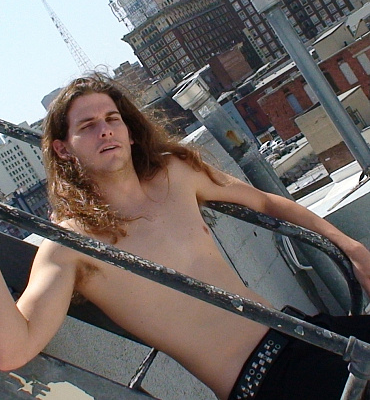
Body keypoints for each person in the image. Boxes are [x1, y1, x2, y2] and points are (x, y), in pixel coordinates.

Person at [1, 72, 370, 400]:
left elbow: (264, 201)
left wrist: (353, 249)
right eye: (88, 126)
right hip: (266, 380)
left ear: (129, 131)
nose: (106, 130)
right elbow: (15, 350)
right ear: (63, 150)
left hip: (305, 333)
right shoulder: (70, 247)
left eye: (112, 119)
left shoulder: (173, 173)